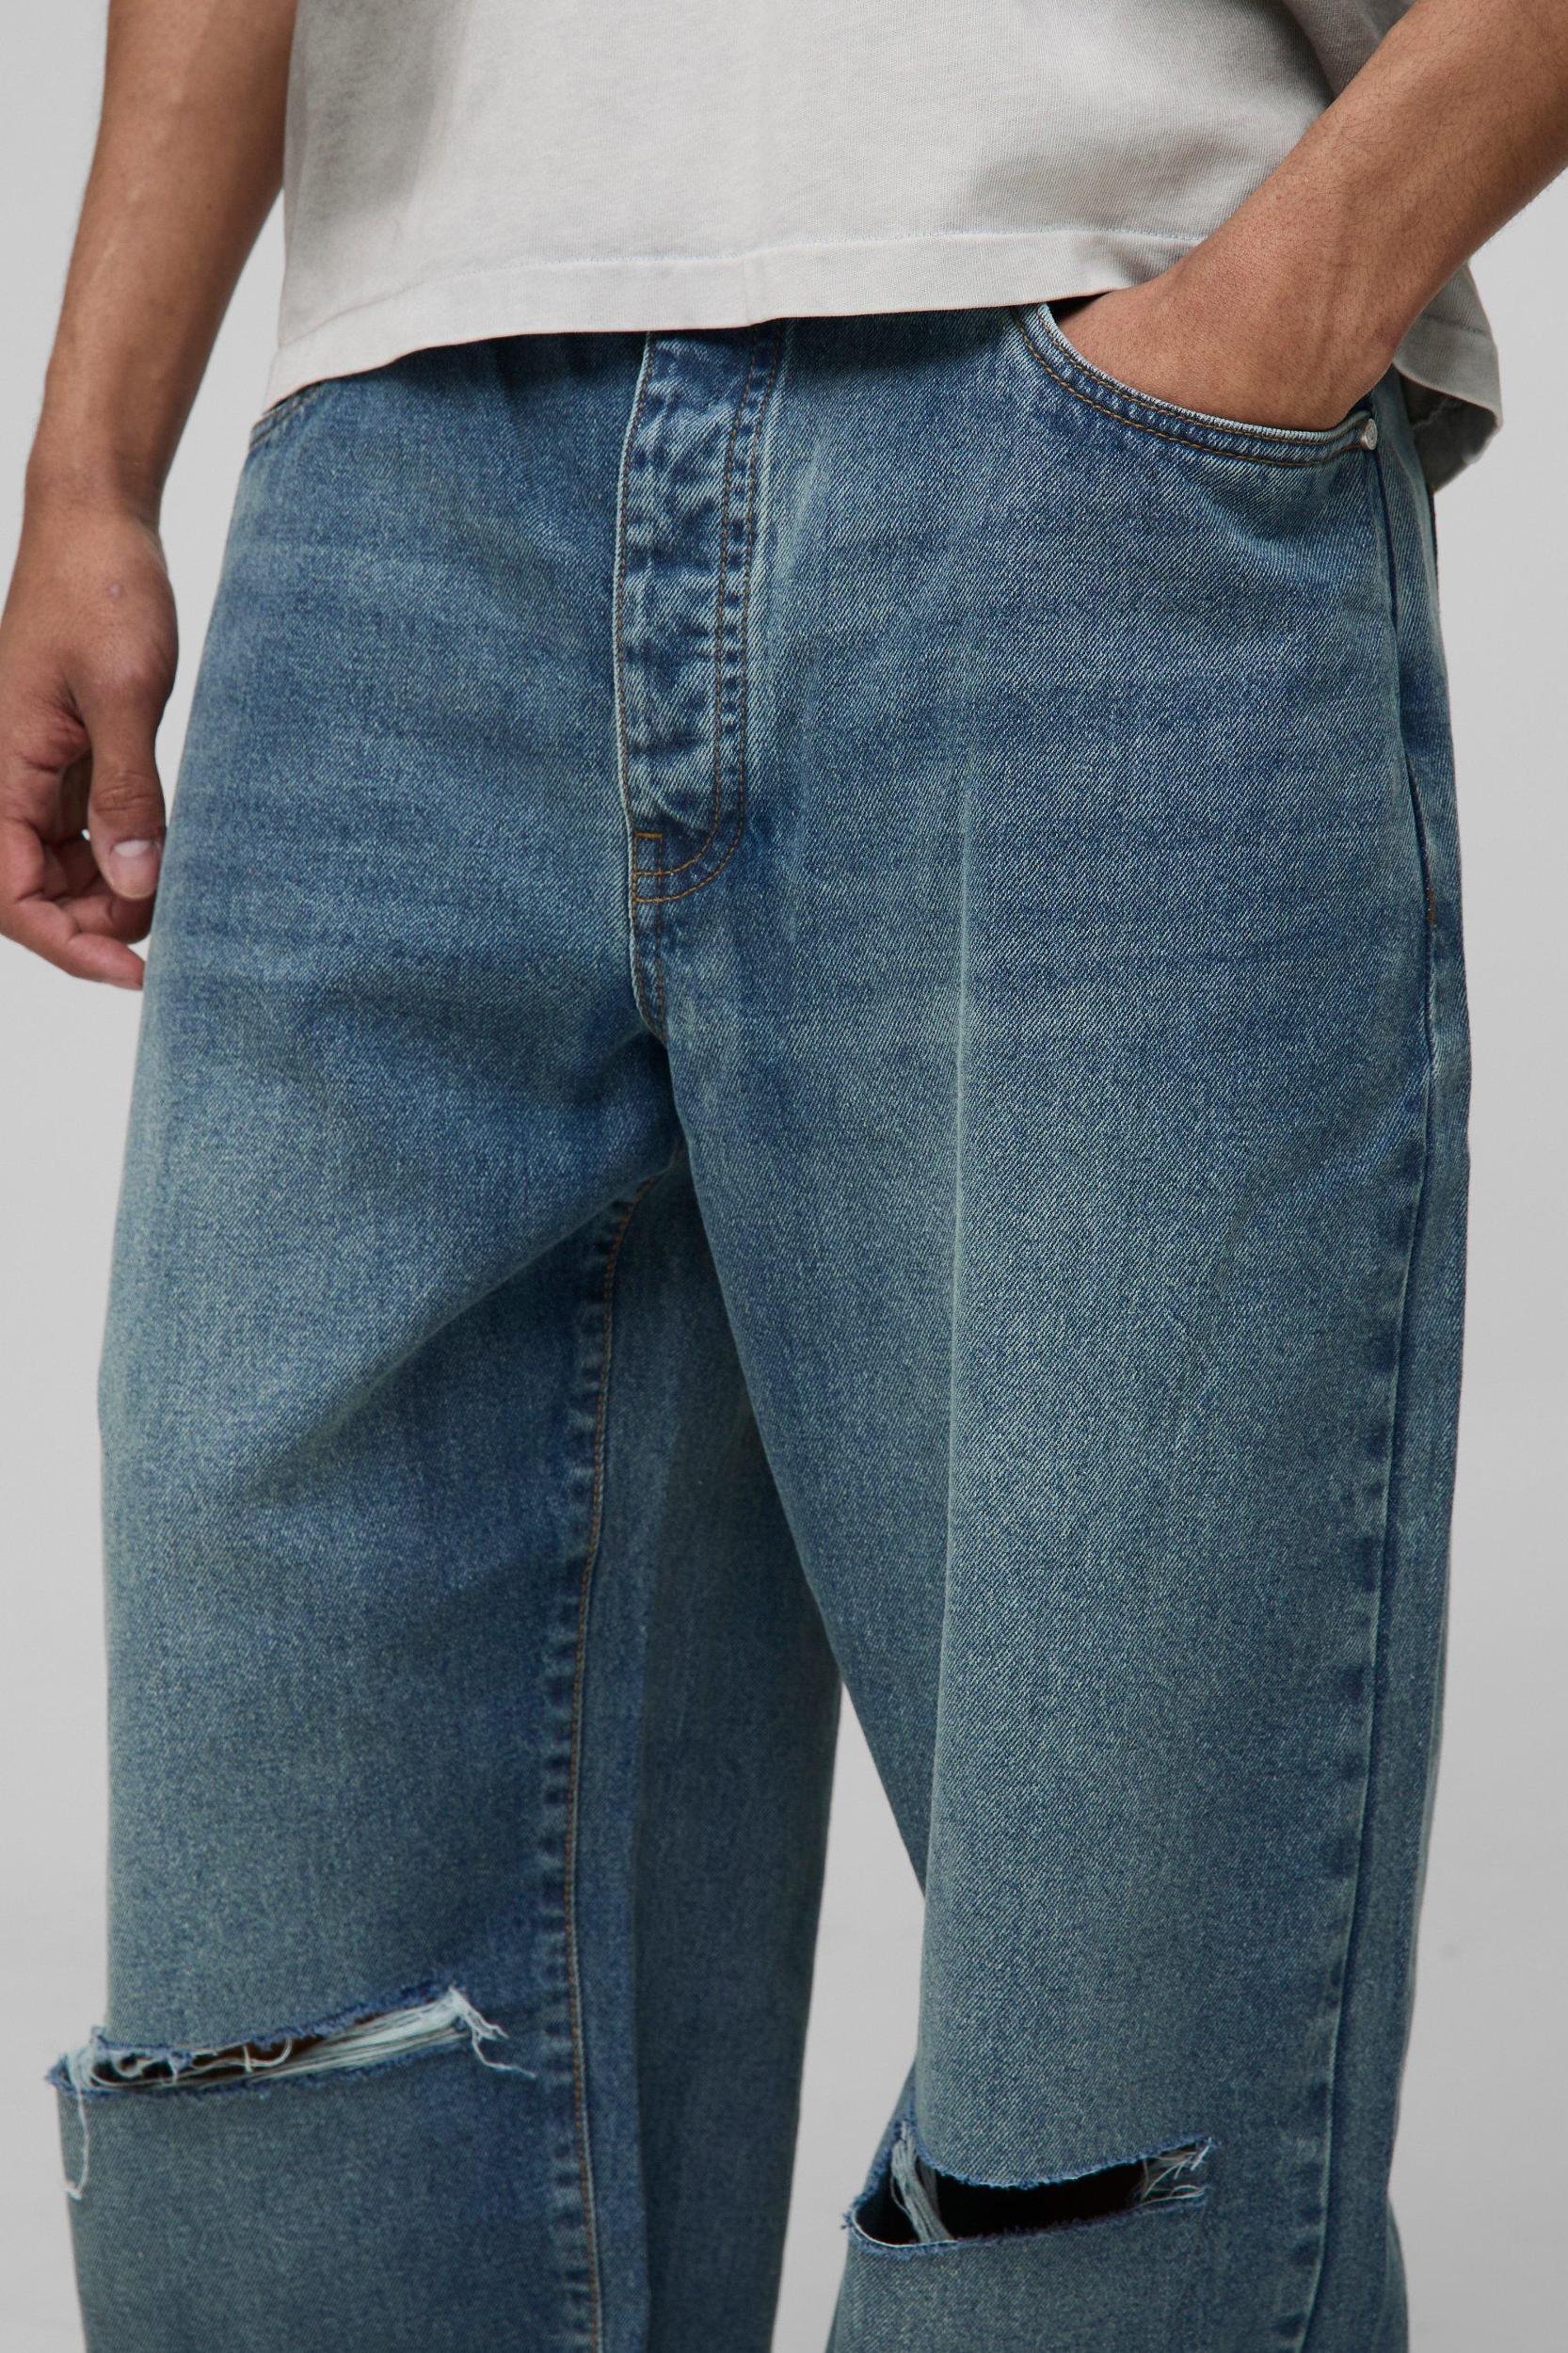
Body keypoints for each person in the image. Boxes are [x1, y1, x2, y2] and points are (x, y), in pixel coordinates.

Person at [2, 3, 1562, 2347]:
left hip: (1090, 427)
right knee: (295, 2091)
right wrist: (90, 463)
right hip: (389, 480)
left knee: (1113, 2128)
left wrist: (1283, 296)